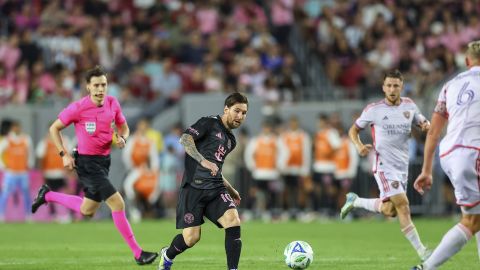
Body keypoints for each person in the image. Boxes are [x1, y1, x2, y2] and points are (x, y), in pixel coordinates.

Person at [30, 66, 158, 265]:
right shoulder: (78, 107)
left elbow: (124, 127)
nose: (100, 89)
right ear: (88, 87)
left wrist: (123, 138)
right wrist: (63, 154)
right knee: (118, 203)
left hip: (104, 161)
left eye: (104, 85)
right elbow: (54, 129)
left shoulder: (112, 103)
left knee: (87, 210)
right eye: (96, 85)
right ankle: (138, 253)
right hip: (87, 163)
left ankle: (47, 195)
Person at [339, 70, 432, 261]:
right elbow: (353, 130)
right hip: (383, 165)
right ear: (383, 87)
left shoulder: (409, 105)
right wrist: (358, 146)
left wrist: (426, 125)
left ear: (401, 86)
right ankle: (424, 252)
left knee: (390, 211)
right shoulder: (374, 109)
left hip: (402, 166)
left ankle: (355, 201)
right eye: (388, 85)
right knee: (404, 205)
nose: (392, 89)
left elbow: (422, 121)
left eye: (396, 85)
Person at [157, 92, 248, 270]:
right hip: (194, 188)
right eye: (237, 111)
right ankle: (167, 254)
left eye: (244, 113)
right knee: (191, 238)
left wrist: (230, 189)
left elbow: (217, 169)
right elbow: (185, 139)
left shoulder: (231, 141)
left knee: (233, 220)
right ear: (226, 109)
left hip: (215, 189)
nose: (240, 116)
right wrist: (202, 160)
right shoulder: (209, 122)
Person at [411, 40, 480, 270]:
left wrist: (427, 170)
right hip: (475, 151)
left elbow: (434, 131)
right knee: (472, 221)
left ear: (467, 61)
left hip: (449, 153)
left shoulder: (450, 85)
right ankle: (426, 267)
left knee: (476, 214)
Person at [0, 120, 34, 222]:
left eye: (17, 127)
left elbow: (30, 152)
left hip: (23, 172)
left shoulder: (26, 139)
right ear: (11, 128)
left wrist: (30, 164)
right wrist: (2, 166)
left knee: (26, 194)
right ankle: (1, 215)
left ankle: (28, 215)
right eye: (14, 127)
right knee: (5, 194)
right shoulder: (7, 140)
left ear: (20, 127)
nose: (16, 129)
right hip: (10, 173)